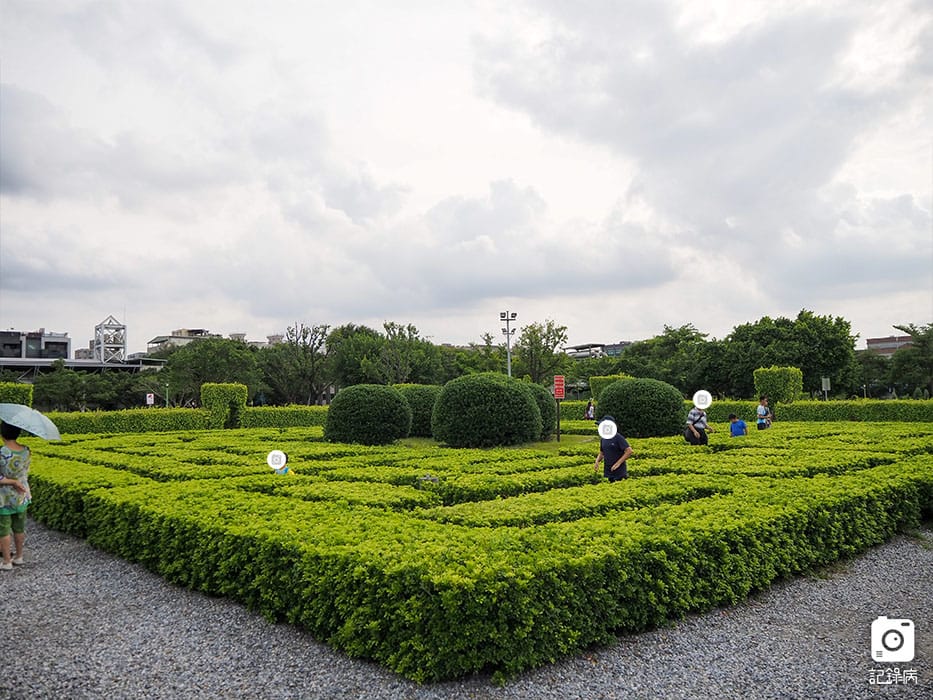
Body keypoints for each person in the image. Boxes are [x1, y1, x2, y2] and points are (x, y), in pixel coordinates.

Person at [0, 421, 31, 570]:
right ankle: (19, 557)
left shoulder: (2, 452)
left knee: (4, 529)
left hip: (3, 498)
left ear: (2, 434)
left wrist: (11, 481)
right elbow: (25, 472)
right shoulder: (26, 450)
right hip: (21, 496)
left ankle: (6, 561)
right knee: (19, 528)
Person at [594, 416, 633, 482]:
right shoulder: (603, 438)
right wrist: (597, 461)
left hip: (619, 472)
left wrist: (618, 463)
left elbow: (629, 451)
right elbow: (601, 452)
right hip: (608, 471)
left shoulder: (618, 437)